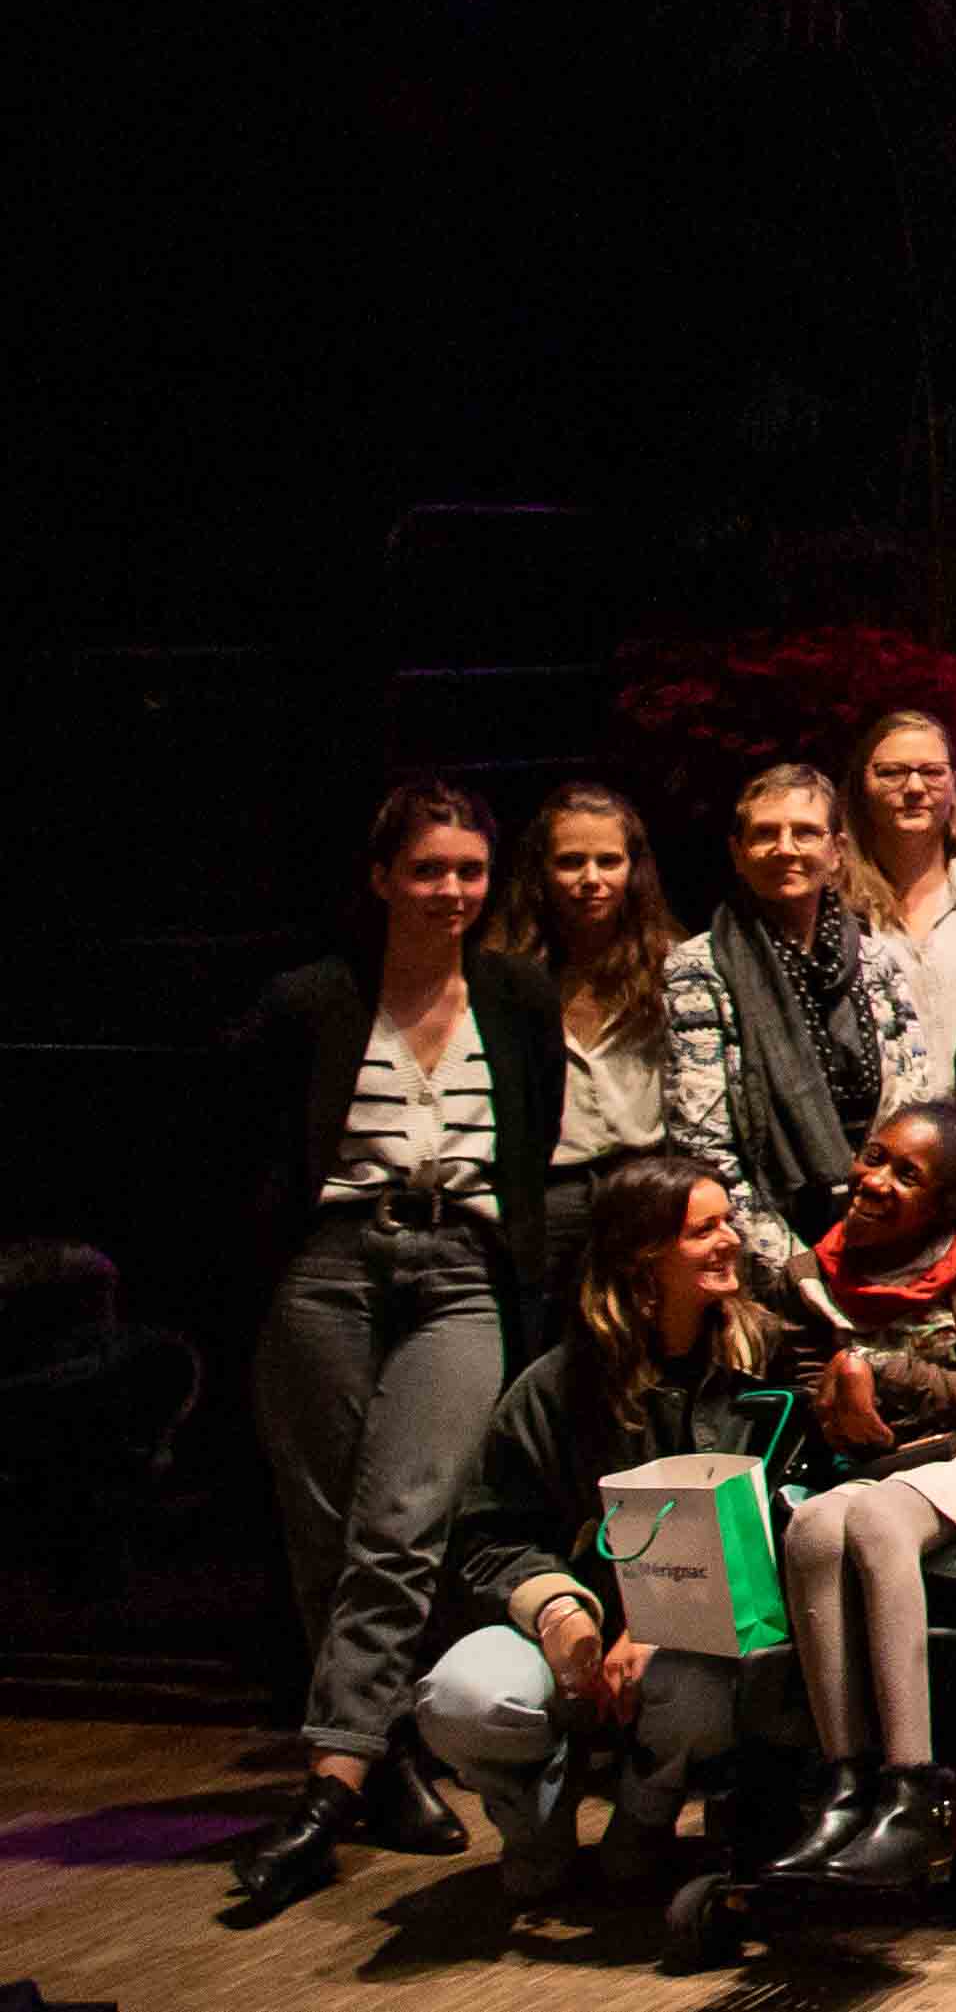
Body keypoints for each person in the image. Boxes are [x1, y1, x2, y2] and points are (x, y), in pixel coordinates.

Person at [228, 782, 559, 1916]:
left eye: (470, 869)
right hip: (325, 1269)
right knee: (325, 1535)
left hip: (457, 1270)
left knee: (405, 1522)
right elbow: (234, 1142)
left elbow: (534, 1132)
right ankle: (390, 1763)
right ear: (381, 877)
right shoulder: (310, 999)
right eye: (429, 869)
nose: (453, 891)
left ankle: (324, 1790)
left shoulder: (516, 995)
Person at [409, 1156, 784, 1908]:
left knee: (697, 1689)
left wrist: (662, 1620)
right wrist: (559, 1609)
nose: (730, 1241)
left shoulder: (761, 1368)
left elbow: (777, 1523)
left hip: (698, 1644)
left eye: (727, 1222)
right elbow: (486, 1537)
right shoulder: (557, 1386)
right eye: (703, 1229)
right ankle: (535, 1813)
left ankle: (644, 1814)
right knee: (460, 1697)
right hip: (575, 1636)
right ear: (645, 1259)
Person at [763, 1088, 956, 1886]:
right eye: (872, 1157)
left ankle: (913, 1790)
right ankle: (845, 1781)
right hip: (870, 1467)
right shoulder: (813, 1272)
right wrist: (833, 1395)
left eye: (907, 1174)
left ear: (944, 1203)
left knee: (878, 1522)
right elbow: (802, 1380)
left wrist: (879, 1367)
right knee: (815, 1527)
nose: (875, 1180)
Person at [662, 760, 925, 1298]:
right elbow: (704, 1144)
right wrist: (798, 1266)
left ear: (836, 850)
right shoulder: (698, 969)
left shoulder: (878, 962)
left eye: (805, 832)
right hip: (765, 1247)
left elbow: (914, 1105)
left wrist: (884, 1231)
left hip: (881, 1223)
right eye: (765, 834)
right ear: (738, 852)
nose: (786, 848)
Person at [488, 784, 682, 1300]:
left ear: (631, 870)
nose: (591, 880)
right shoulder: (502, 976)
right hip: (549, 1195)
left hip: (647, 1184)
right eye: (571, 862)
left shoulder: (673, 967)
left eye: (608, 861)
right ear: (541, 872)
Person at [839, 707, 956, 1104]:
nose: (915, 787)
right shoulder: (834, 906)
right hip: (878, 1143)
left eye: (932, 772)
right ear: (861, 785)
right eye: (892, 772)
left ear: (955, 784)